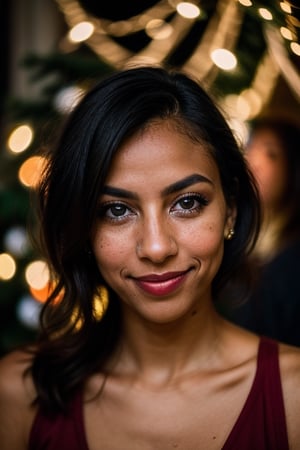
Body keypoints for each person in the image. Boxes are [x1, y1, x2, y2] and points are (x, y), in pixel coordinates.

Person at [0, 66, 299, 450]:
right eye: (117, 210)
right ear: (83, 228)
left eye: (188, 203)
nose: (157, 248)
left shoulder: (293, 397)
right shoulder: (18, 393)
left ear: (230, 211)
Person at [224, 117, 300, 346]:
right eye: (250, 148)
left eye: (271, 154)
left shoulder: (291, 262)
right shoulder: (235, 243)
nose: (253, 162)